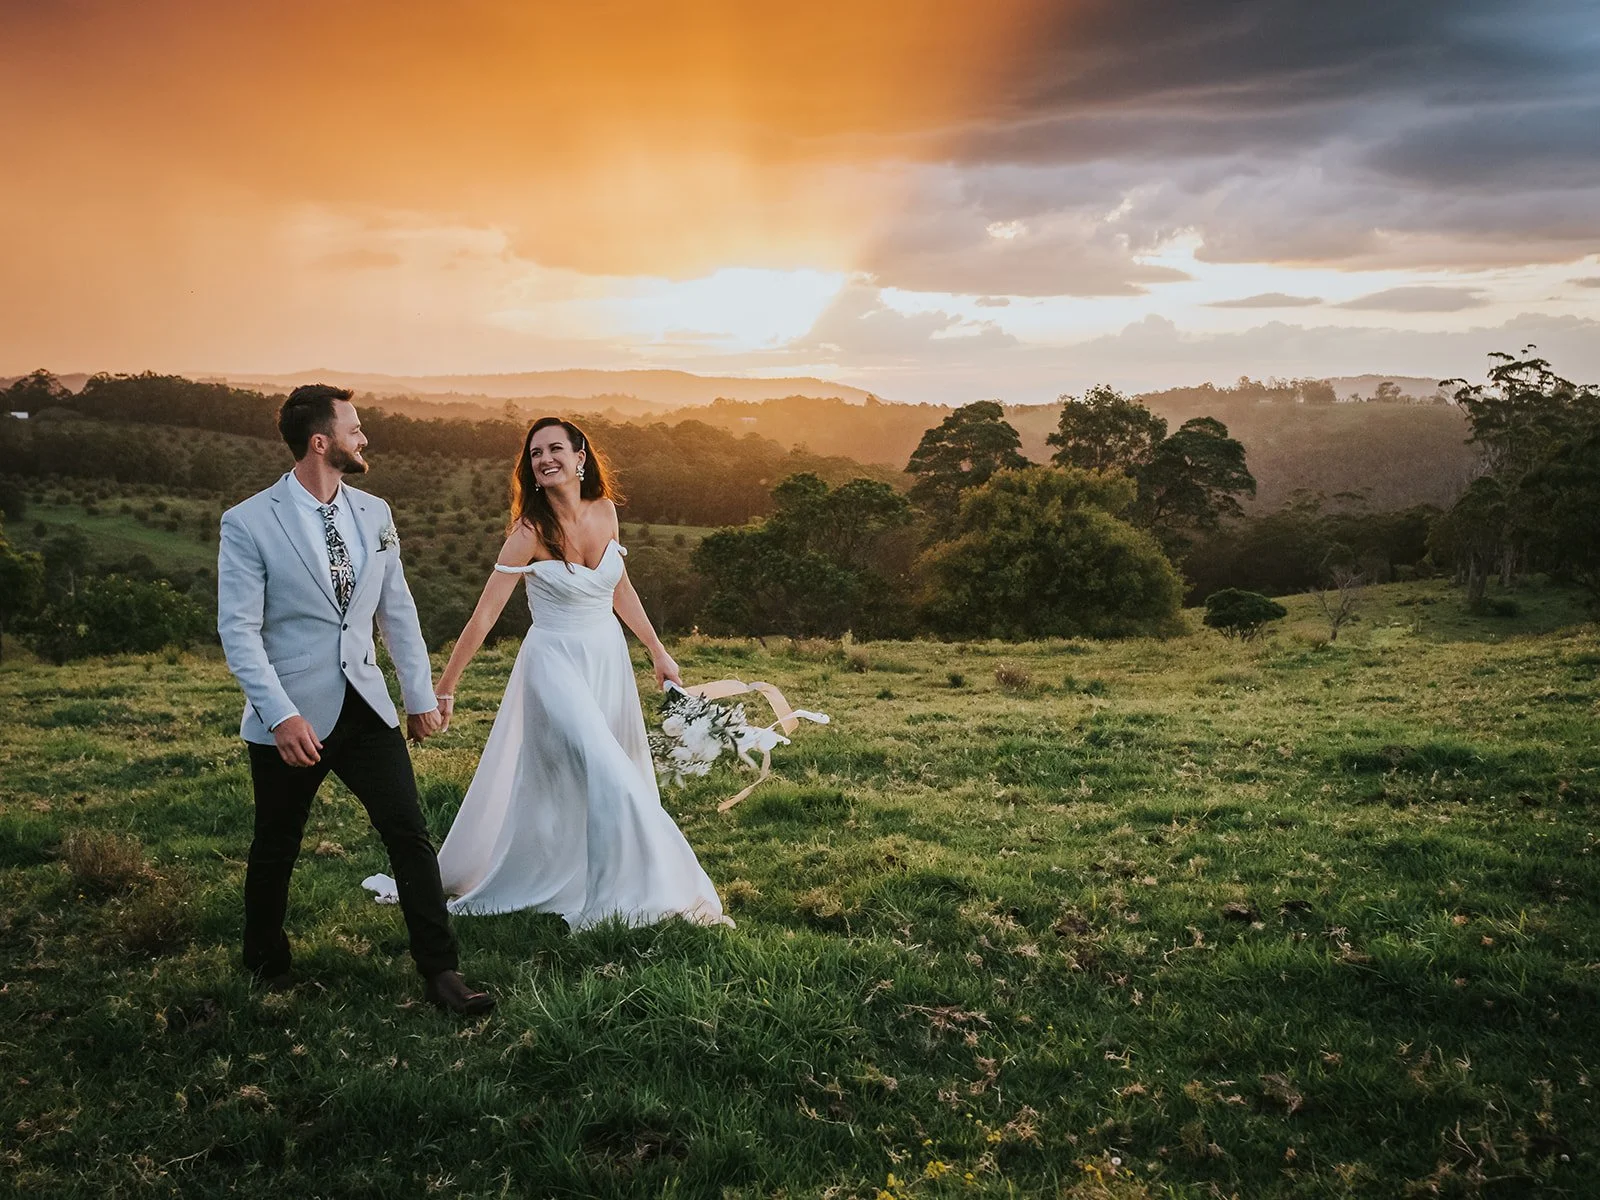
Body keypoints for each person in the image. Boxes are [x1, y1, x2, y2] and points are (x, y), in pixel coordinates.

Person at [217, 384, 493, 1015]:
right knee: (277, 842)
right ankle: (264, 960)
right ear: (322, 442)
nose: (364, 438)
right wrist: (278, 714)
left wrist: (418, 695)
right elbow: (239, 630)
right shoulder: (250, 521)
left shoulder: (376, 514)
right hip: (292, 718)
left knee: (410, 834)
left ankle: (441, 972)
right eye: (355, 429)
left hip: (368, 708)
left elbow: (398, 611)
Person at [420, 416, 731, 929]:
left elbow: (619, 588)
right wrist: (445, 687)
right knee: (606, 767)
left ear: (580, 458)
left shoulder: (605, 511)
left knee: (592, 774)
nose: (544, 459)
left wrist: (657, 649)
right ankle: (634, 894)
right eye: (535, 453)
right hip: (554, 664)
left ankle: (584, 873)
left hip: (606, 658)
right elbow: (484, 615)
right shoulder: (528, 533)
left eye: (555, 449)